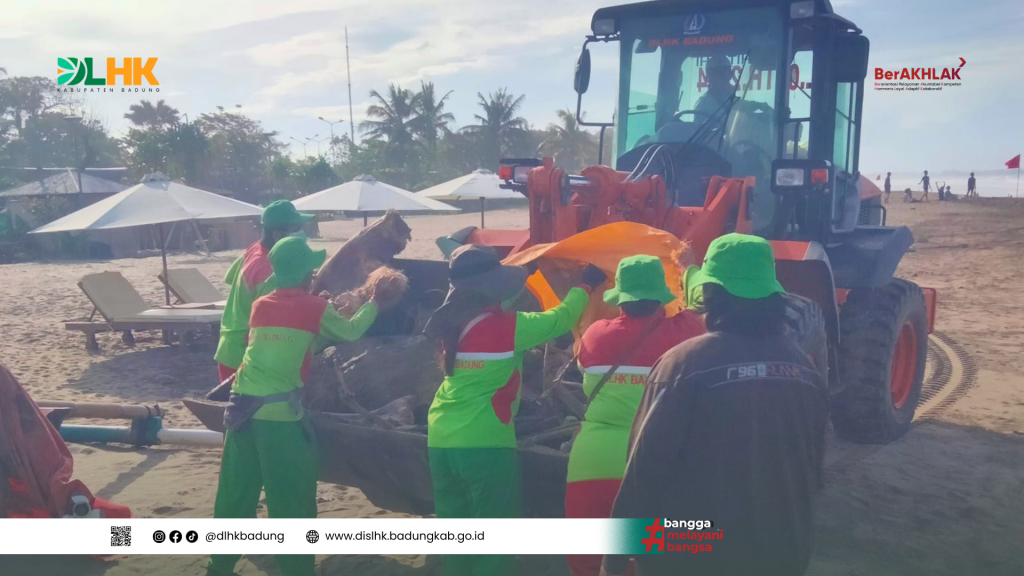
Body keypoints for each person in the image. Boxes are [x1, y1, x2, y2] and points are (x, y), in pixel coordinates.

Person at [601, 234, 828, 576]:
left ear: (711, 296)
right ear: (772, 295)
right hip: (783, 555)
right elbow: (811, 473)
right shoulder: (805, 373)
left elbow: (643, 475)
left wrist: (613, 563)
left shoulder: (683, 366)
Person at [424, 245, 605, 576]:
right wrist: (586, 284)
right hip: (484, 440)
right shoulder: (504, 327)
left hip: (440, 435)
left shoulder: (454, 327)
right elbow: (560, 319)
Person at [208, 237, 382, 576]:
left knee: (235, 498)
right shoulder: (315, 308)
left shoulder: (262, 304)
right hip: (279, 421)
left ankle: (217, 568)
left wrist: (318, 311)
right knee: (291, 504)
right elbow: (351, 332)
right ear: (307, 274)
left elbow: (284, 342)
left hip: (240, 411)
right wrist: (374, 302)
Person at [566, 255, 705, 576]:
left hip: (591, 462)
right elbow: (704, 299)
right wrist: (688, 268)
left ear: (620, 300)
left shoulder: (594, 335)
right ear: (661, 298)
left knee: (589, 562)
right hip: (656, 463)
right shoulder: (685, 332)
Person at [214, 200, 314, 384]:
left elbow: (230, 277)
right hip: (246, 354)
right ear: (278, 234)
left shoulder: (254, 249)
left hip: (229, 345)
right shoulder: (271, 271)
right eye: (296, 227)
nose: (302, 231)